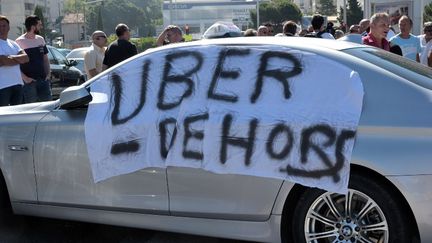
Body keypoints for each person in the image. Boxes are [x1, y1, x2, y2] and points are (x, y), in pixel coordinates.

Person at [15, 15, 51, 103]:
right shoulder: (19, 42)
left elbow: (45, 59)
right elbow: (16, 64)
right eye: (39, 25)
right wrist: (25, 78)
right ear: (33, 27)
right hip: (29, 83)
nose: (41, 27)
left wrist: (48, 74)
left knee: (48, 108)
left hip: (43, 80)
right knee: (31, 110)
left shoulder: (41, 39)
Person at [0, 15, 29, 106]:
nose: (2, 28)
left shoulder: (14, 44)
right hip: (3, 86)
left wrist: (9, 57)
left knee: (17, 116)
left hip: (17, 84)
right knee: (3, 115)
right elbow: (4, 60)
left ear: (8, 27)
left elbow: (26, 58)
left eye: (4, 25)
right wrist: (18, 59)